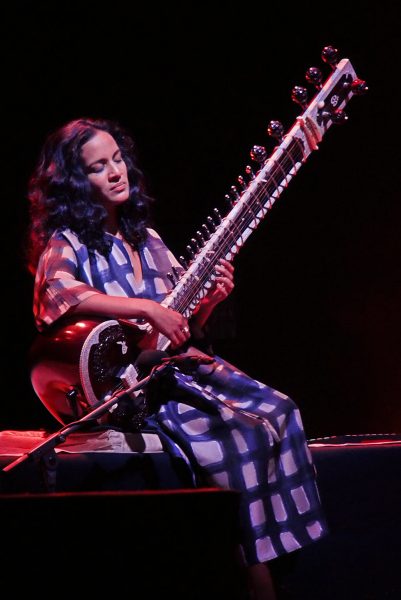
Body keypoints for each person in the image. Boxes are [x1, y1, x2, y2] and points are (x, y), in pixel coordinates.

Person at [26, 117, 328, 599]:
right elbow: (58, 298)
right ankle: (257, 576)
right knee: (244, 438)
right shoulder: (67, 244)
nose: (115, 173)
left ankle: (278, 557)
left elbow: (183, 326)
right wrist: (145, 307)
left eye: (118, 160)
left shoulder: (147, 240)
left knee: (283, 410)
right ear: (75, 183)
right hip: (135, 392)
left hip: (177, 368)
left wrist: (209, 301)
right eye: (98, 167)